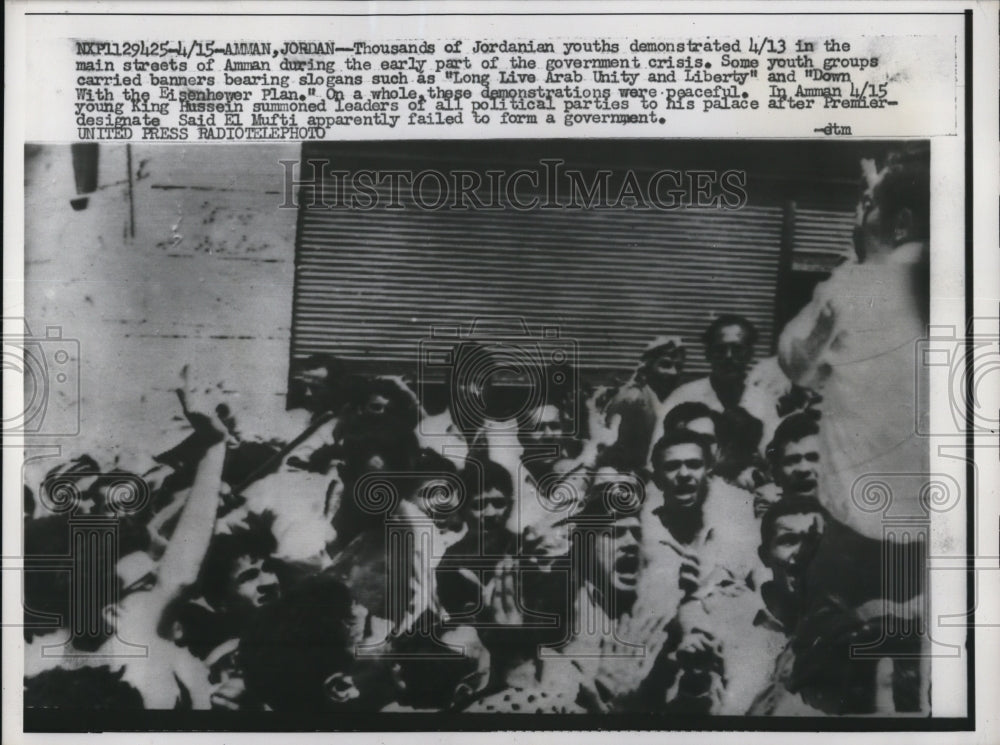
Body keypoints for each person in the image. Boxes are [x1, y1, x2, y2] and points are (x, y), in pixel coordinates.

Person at [777, 144, 929, 539]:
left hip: (862, 534)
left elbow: (794, 361)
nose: (858, 215)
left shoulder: (852, 288)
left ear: (901, 222)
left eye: (869, 206)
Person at [669, 498, 828, 715]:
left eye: (812, 542)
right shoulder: (729, 613)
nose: (801, 553)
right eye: (789, 540)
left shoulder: (839, 631)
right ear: (764, 556)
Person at [654, 316, 784, 465]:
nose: (728, 357)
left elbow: (774, 458)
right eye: (720, 350)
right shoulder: (682, 397)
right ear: (708, 354)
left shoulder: (764, 401)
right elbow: (656, 457)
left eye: (737, 349)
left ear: (749, 354)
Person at [603, 336, 686, 470]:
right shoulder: (632, 398)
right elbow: (613, 449)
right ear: (648, 366)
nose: (673, 372)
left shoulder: (676, 400)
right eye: (665, 365)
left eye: (678, 367)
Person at [755, 412, 822, 516]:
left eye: (813, 458)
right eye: (792, 461)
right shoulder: (769, 503)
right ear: (776, 472)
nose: (804, 469)